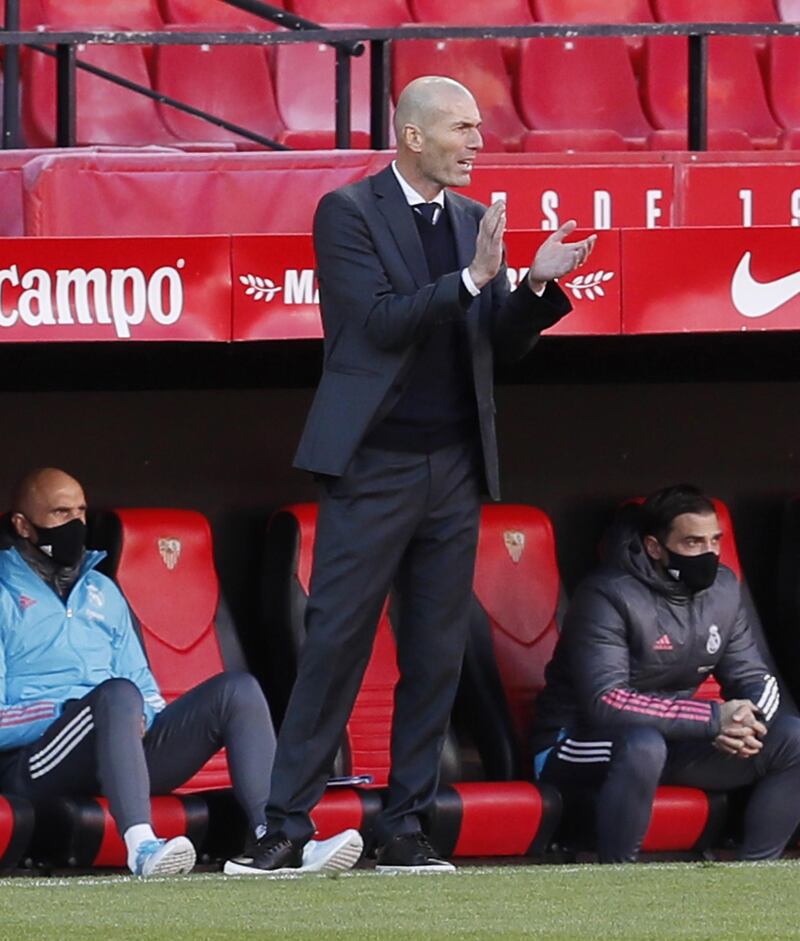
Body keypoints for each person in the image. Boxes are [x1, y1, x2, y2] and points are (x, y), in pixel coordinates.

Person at [236, 75, 596, 876]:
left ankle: (406, 826)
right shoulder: (348, 214)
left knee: (434, 654)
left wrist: (533, 284)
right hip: (372, 465)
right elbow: (373, 327)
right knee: (335, 644)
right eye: (462, 128)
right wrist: (472, 280)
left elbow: (494, 344)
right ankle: (285, 825)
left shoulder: (473, 221)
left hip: (456, 468)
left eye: (479, 128)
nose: (476, 143)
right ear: (412, 136)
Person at [0, 467, 359, 878]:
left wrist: (137, 718)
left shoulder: (103, 591)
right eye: (61, 514)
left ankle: (278, 837)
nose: (76, 524)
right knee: (115, 695)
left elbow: (146, 690)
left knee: (236, 691)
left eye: (81, 512)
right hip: (38, 764)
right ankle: (141, 847)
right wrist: (71, 709)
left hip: (118, 746)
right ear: (23, 525)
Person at [532, 483, 800, 863]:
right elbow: (606, 701)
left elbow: (754, 675)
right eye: (692, 543)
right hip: (574, 743)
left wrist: (746, 721)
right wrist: (712, 719)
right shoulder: (606, 595)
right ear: (656, 547)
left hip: (672, 742)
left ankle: (753, 877)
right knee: (643, 745)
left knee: (793, 738)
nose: (708, 553)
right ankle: (618, 881)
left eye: (714, 541)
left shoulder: (723, 589)